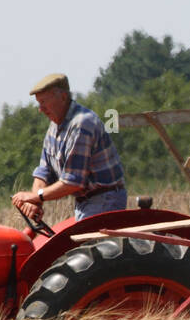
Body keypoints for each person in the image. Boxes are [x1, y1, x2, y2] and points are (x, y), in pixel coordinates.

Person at [11, 73, 127, 222]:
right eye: (39, 103)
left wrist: (35, 196)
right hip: (85, 202)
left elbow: (73, 182)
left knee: (92, 244)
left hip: (104, 201)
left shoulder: (82, 124)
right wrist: (35, 203)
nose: (40, 109)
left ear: (63, 97)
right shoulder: (55, 126)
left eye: (44, 102)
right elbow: (43, 172)